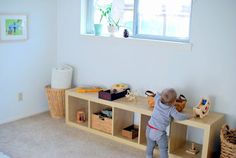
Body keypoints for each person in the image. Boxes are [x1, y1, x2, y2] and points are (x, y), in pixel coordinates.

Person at [146, 88, 192, 158]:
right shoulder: (171, 109)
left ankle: (148, 156)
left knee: (150, 145)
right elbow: (179, 117)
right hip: (160, 133)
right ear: (174, 102)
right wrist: (189, 116)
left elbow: (157, 94)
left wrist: (160, 94)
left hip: (149, 128)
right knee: (163, 149)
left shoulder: (158, 100)